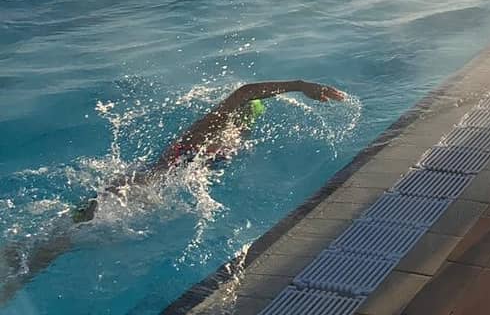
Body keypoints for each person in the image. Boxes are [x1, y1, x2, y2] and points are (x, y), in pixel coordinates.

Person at [2, 80, 346, 299]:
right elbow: (244, 93)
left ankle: (16, 265)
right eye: (244, 118)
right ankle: (13, 275)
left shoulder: (233, 139)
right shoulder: (213, 126)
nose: (244, 124)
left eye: (246, 121)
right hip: (137, 188)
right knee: (60, 241)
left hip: (146, 192)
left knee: (65, 239)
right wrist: (299, 85)